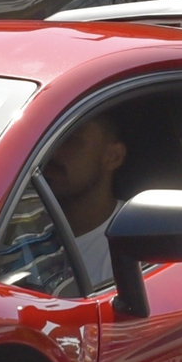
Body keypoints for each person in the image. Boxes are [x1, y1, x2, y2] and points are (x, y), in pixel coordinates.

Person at [39, 114, 128, 292]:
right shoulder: (15, 227)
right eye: (48, 141)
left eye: (71, 140)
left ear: (113, 157)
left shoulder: (130, 247)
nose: (52, 152)